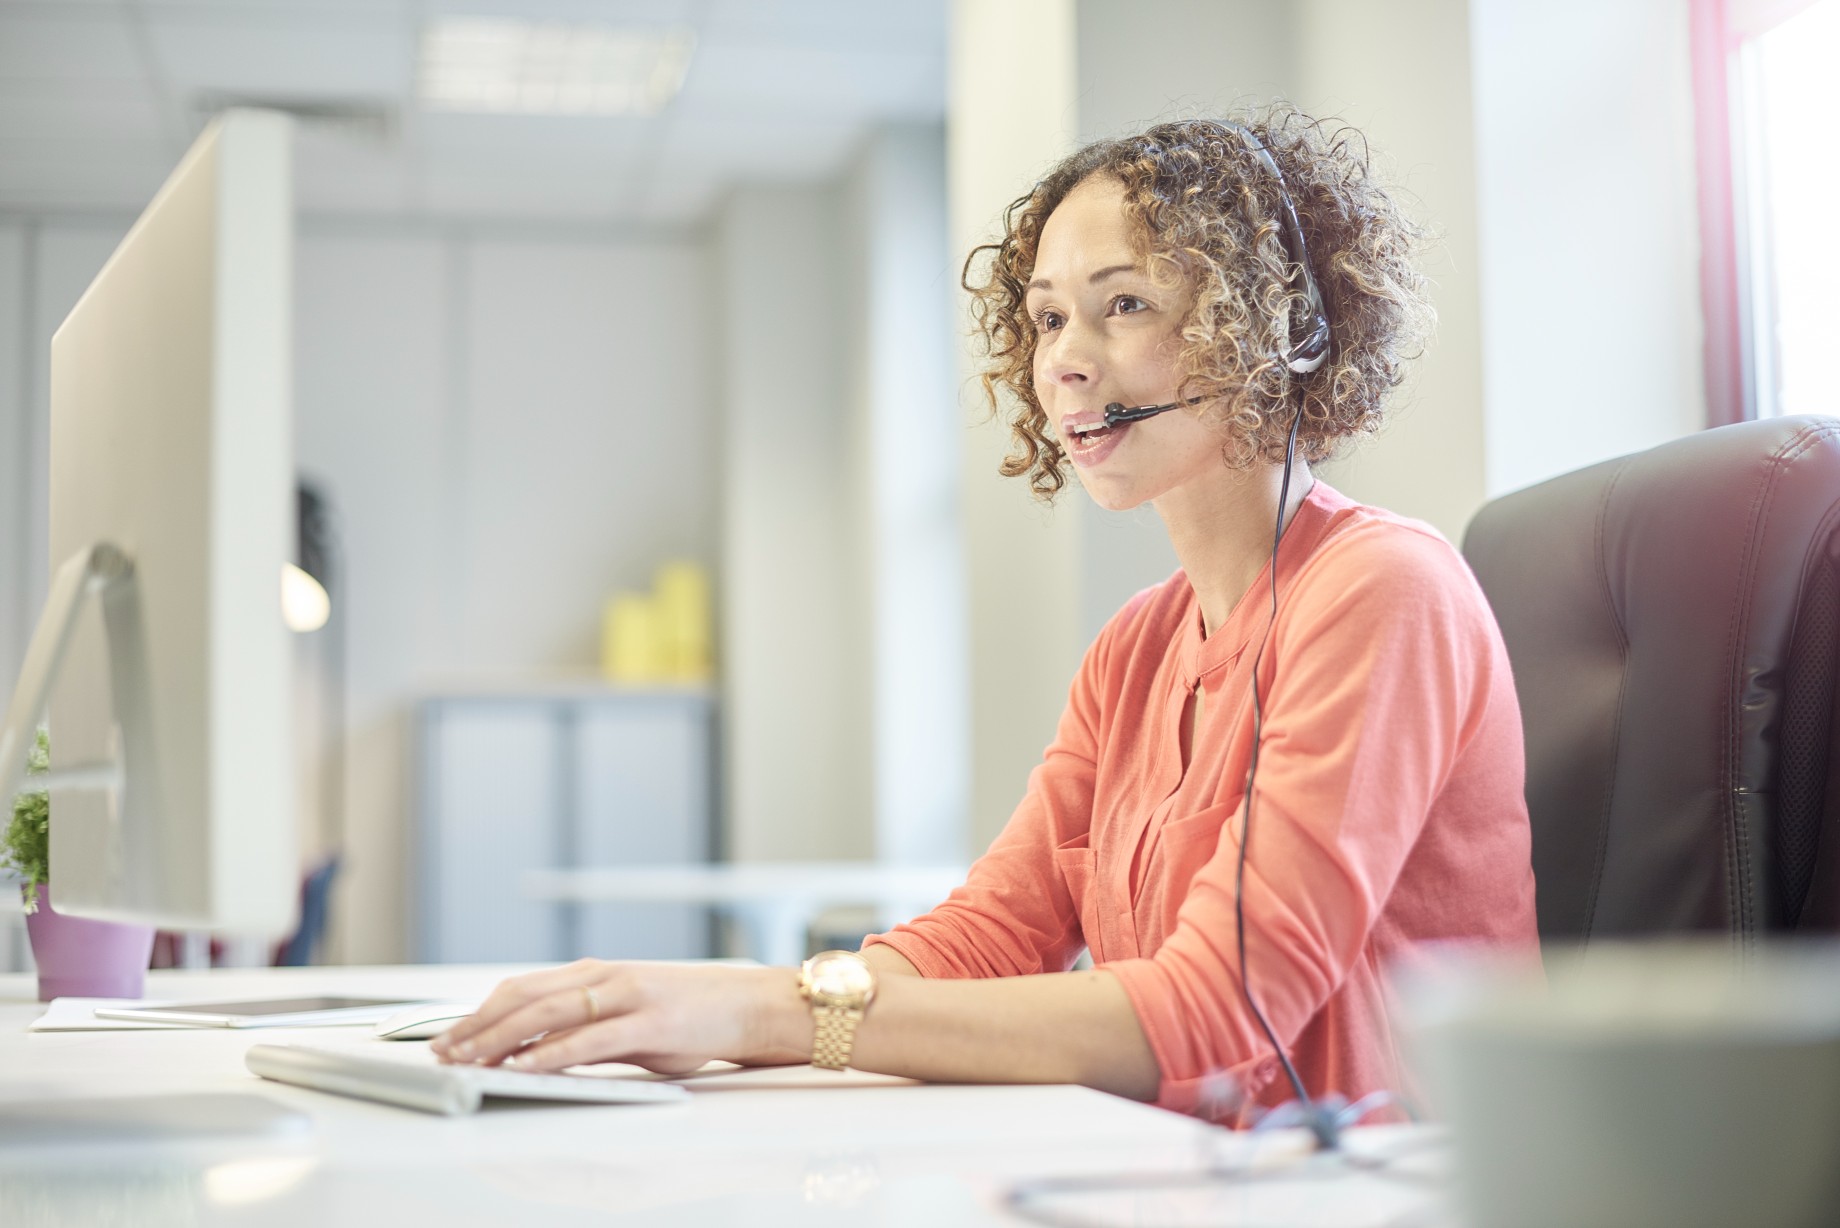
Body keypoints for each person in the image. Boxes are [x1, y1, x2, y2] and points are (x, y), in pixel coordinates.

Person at [434, 107, 1539, 1126]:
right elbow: (987, 939)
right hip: (1182, 1175)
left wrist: (770, 1019)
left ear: (1273, 327)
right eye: (1048, 316)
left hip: (1373, 1190)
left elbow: (1219, 1007)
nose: (1063, 359)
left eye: (1124, 305)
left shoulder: (1384, 592)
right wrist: (709, 1011)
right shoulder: (1135, 650)